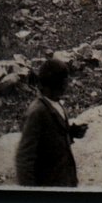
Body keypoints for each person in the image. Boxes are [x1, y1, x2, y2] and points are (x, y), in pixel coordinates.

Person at [14, 58, 87, 188]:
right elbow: (24, 158)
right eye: (65, 81)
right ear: (57, 84)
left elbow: (52, 136)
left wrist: (71, 132)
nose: (67, 85)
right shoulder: (37, 112)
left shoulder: (56, 103)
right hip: (49, 184)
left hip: (64, 179)